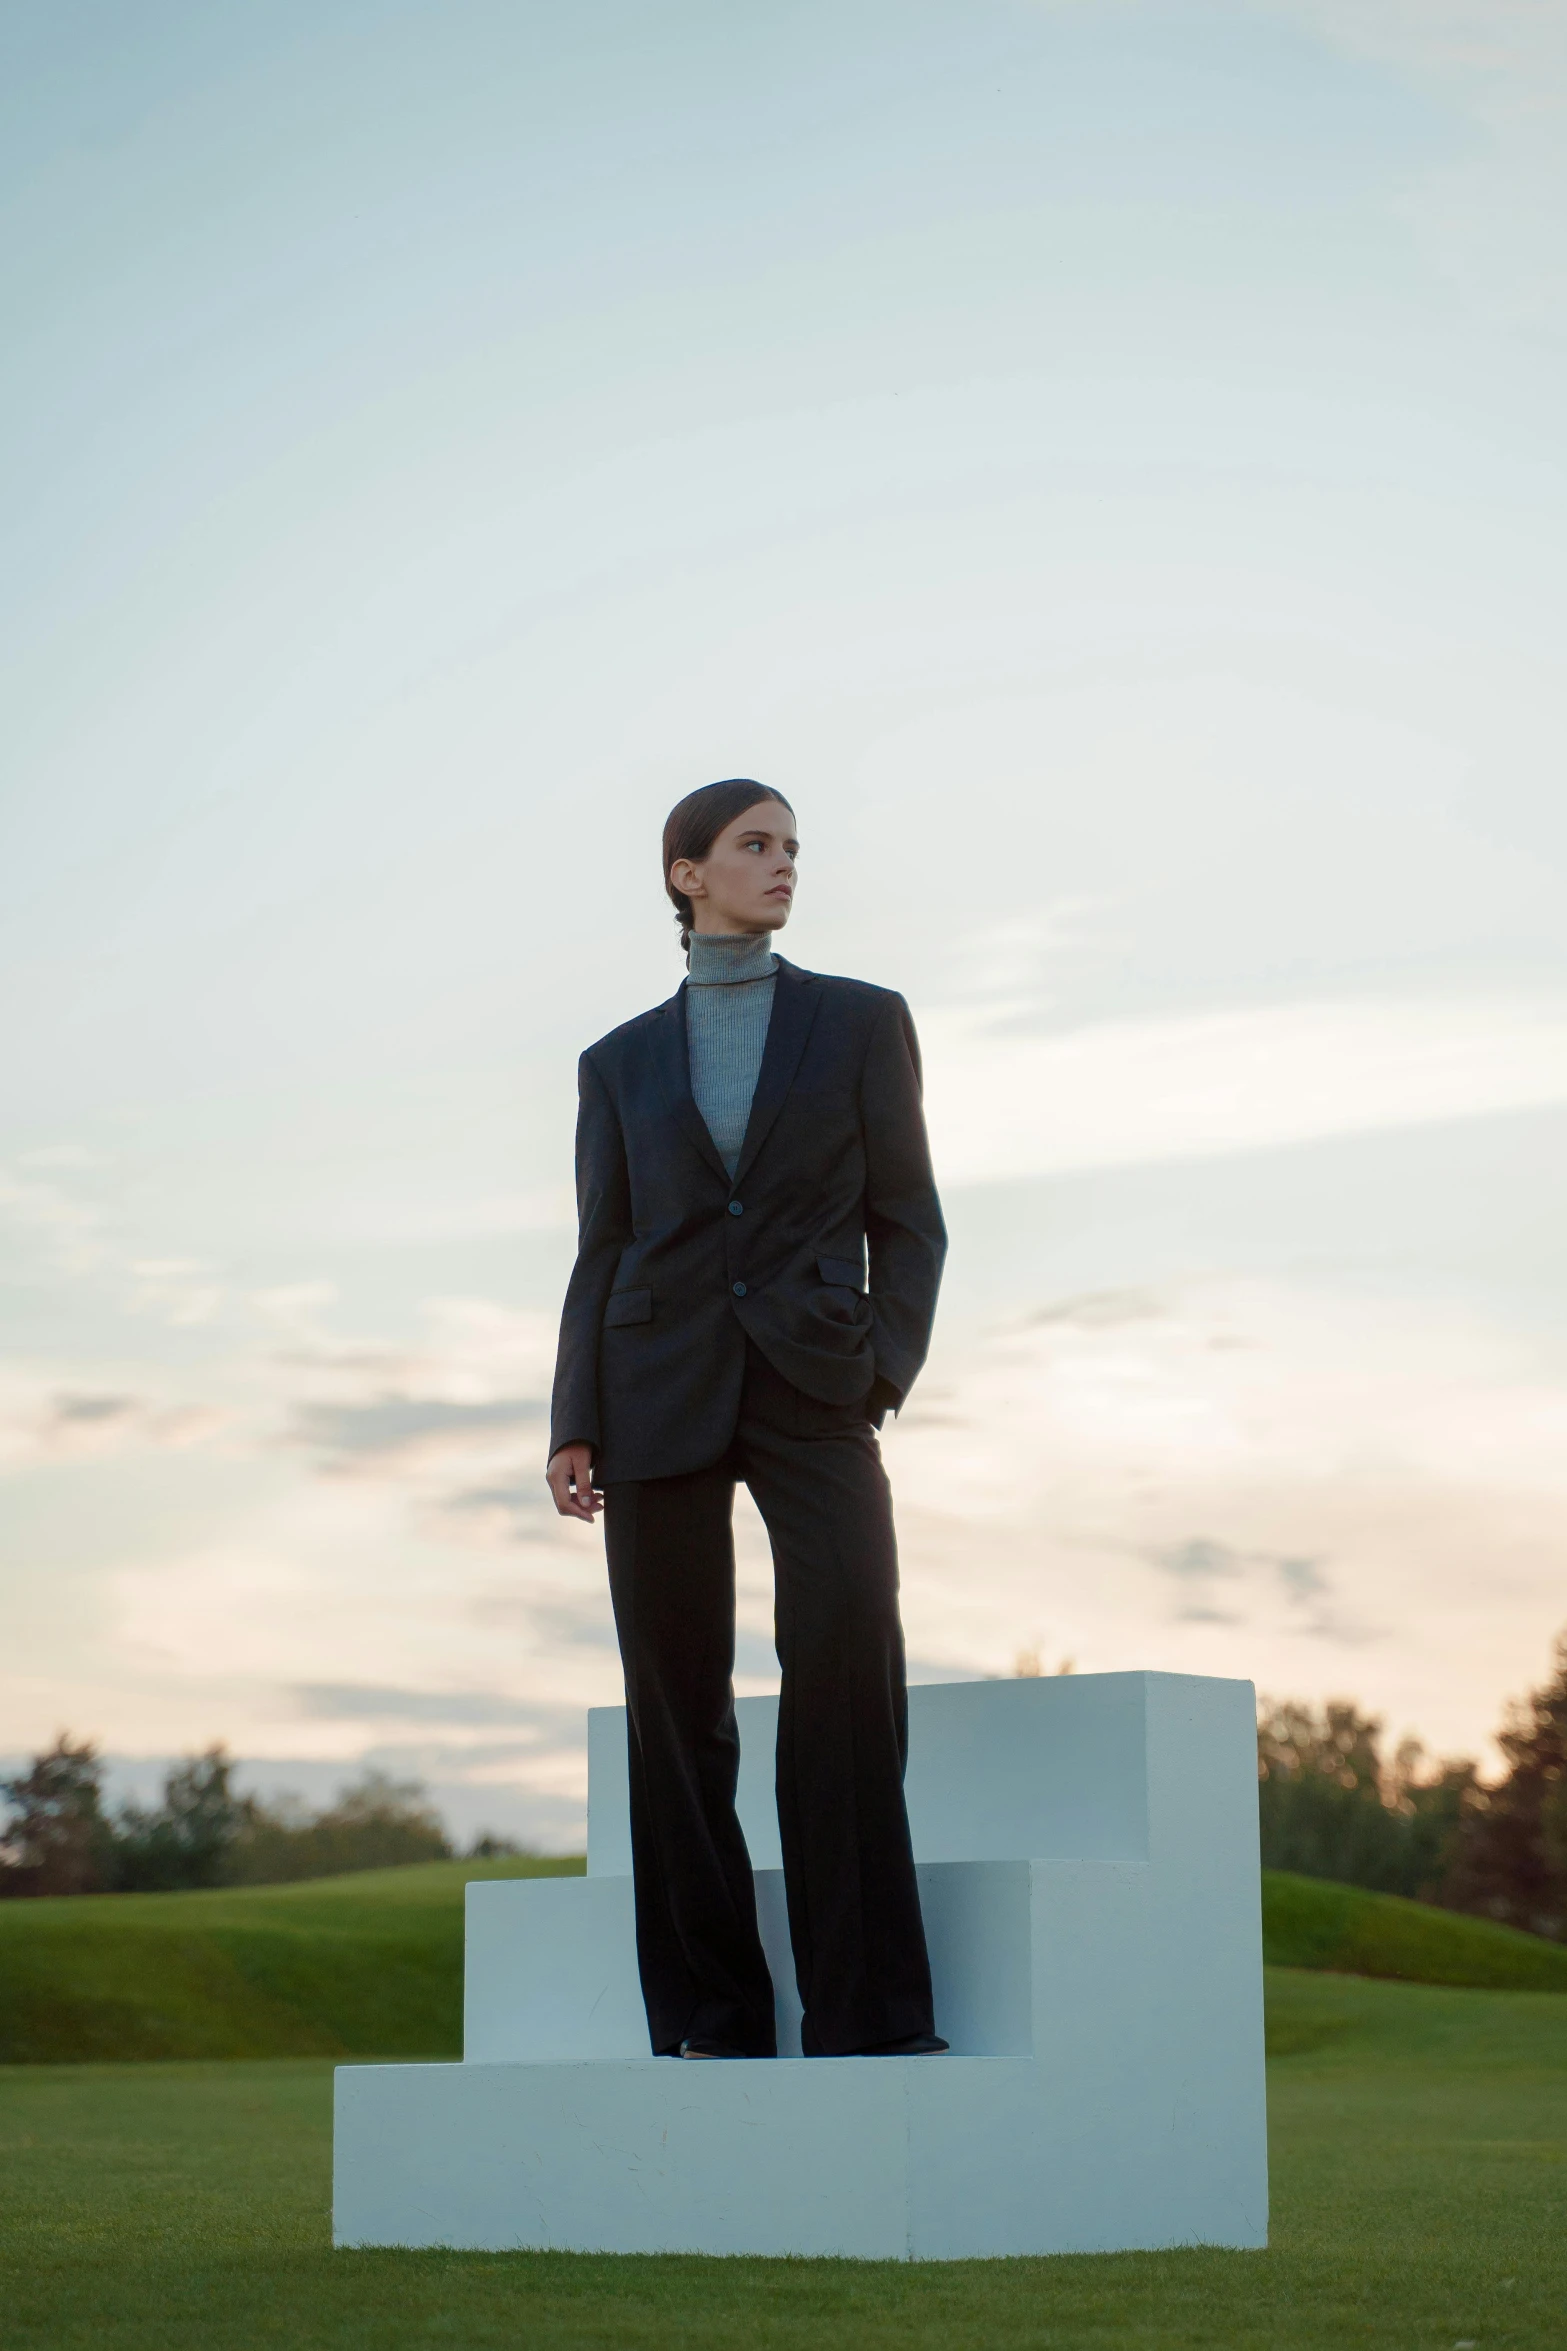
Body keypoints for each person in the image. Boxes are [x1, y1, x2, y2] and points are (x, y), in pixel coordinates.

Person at [546, 778, 948, 2060]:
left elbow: (911, 1217)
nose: (781, 865)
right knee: (677, 1708)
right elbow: (602, 1244)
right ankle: (714, 2020)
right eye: (753, 845)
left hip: (818, 1382)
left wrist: (880, 1364)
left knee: (844, 1675)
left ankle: (868, 2015)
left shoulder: (861, 1022)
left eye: (789, 847)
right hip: (652, 1385)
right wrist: (574, 1416)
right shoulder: (616, 1062)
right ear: (686, 874)